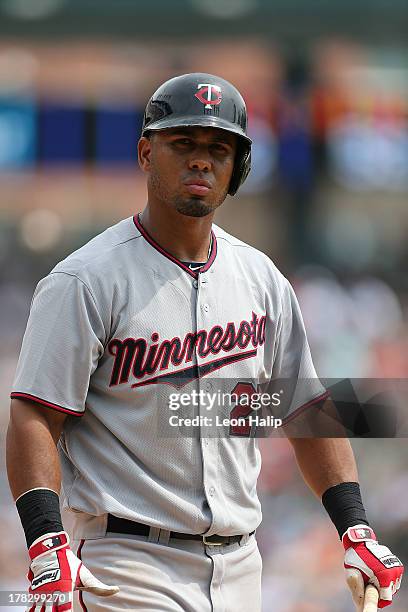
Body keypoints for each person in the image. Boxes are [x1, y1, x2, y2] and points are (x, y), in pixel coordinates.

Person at [7, 73, 403, 612]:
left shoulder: (262, 279)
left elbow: (307, 410)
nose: (201, 161)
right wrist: (44, 542)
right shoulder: (85, 279)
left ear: (237, 168)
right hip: (125, 562)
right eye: (183, 143)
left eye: (219, 148)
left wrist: (355, 527)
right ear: (147, 153)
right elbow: (35, 414)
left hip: (242, 566)